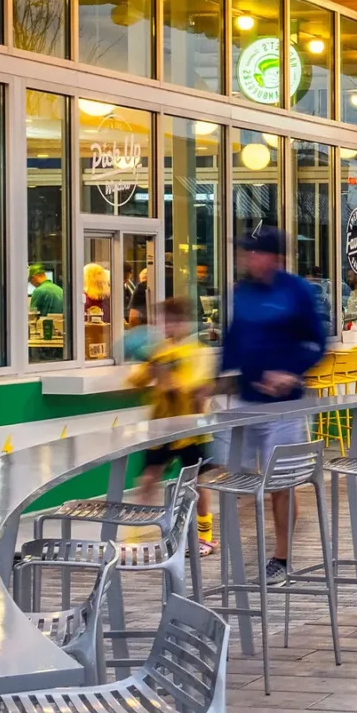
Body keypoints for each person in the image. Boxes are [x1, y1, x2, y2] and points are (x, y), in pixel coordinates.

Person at [214, 227, 326, 580]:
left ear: (274, 257)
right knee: (231, 476)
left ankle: (280, 556)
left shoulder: (297, 292)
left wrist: (291, 374)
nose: (247, 258)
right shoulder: (242, 293)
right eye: (244, 252)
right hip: (246, 401)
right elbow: (233, 341)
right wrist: (217, 378)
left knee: (280, 481)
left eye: (254, 252)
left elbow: (319, 343)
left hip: (284, 406)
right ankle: (231, 553)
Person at [125, 297, 212, 519]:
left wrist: (165, 374)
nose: (169, 326)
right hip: (162, 427)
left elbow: (192, 386)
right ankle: (140, 529)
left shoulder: (198, 352)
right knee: (148, 477)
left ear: (185, 323)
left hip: (191, 430)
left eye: (174, 321)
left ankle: (205, 533)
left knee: (196, 483)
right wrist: (149, 369)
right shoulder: (160, 351)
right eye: (165, 321)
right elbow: (137, 381)